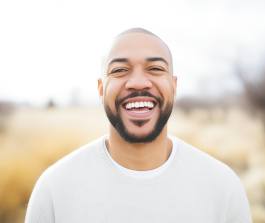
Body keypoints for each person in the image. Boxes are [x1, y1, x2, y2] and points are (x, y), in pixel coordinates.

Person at [25, 28, 252, 223]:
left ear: (174, 86)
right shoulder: (54, 189)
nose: (138, 82)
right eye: (119, 70)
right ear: (101, 89)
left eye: (155, 69)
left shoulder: (223, 187)